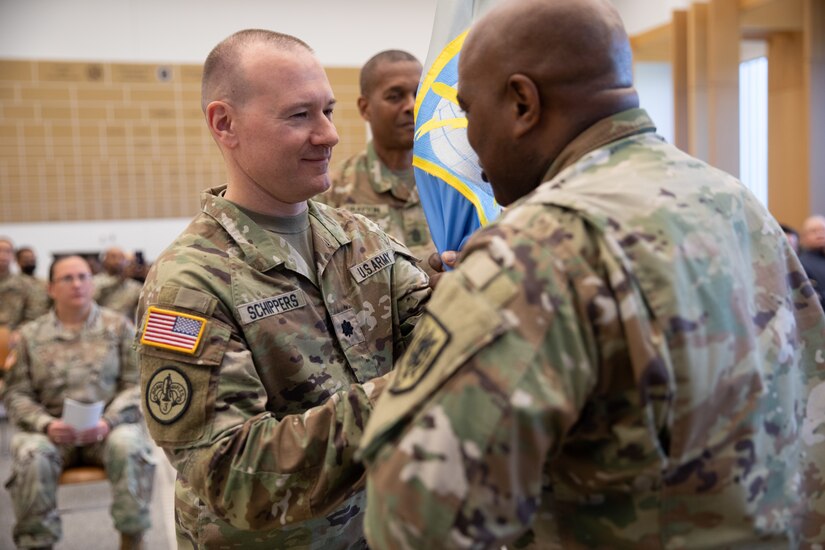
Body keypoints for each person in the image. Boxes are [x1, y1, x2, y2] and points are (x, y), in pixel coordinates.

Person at [358, 0, 825, 548]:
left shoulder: (539, 248)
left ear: (522, 102)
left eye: (466, 111)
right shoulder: (733, 200)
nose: (469, 141)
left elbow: (416, 516)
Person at [134, 29, 430, 549]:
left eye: (329, 112)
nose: (330, 135)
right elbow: (233, 475)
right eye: (299, 116)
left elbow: (427, 329)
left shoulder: (359, 237)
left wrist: (470, 295)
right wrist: (407, 392)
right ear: (225, 124)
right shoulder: (188, 285)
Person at [2, 255, 155, 550]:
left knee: (130, 445)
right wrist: (46, 424)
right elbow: (15, 393)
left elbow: (136, 385)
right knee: (32, 455)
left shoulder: (118, 328)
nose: (78, 284)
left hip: (106, 430)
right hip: (51, 431)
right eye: (67, 278)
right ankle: (37, 542)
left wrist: (107, 422)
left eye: (84, 277)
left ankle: (133, 539)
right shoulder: (30, 336)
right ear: (50, 289)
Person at [318, 50, 437, 274]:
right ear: (365, 108)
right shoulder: (332, 193)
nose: (411, 105)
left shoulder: (450, 185)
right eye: (395, 96)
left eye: (418, 93)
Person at [0, 237, 50, 331]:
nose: (2, 255)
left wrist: (19, 333)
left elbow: (34, 315)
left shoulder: (27, 284)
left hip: (16, 337)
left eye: (7, 251)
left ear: (13, 257)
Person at [93, 247, 143, 322]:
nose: (118, 261)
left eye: (121, 258)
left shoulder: (134, 286)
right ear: (105, 261)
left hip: (125, 328)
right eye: (113, 257)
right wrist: (119, 279)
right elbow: (93, 297)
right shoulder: (95, 281)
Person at [799, 215, 825, 304]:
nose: (820, 234)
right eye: (814, 231)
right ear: (803, 238)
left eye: (823, 230)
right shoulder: (800, 263)